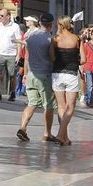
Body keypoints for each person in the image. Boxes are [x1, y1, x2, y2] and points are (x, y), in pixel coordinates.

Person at [17, 12, 57, 143]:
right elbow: (52, 57)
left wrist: (26, 73)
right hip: (44, 74)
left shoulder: (31, 37)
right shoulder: (48, 39)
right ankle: (47, 133)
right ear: (51, 25)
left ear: (40, 23)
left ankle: (23, 128)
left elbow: (27, 57)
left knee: (32, 103)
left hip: (31, 74)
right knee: (48, 105)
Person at [50, 16, 83, 145]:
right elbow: (84, 60)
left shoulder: (55, 40)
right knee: (71, 107)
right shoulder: (77, 39)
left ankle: (65, 137)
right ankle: (60, 134)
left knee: (61, 106)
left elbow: (52, 58)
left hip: (57, 74)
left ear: (60, 25)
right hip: (71, 74)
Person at [0, 9, 23, 101]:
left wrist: (18, 55)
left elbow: (19, 41)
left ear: (8, 16)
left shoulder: (15, 27)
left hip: (12, 54)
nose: (0, 17)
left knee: (12, 75)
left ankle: (12, 93)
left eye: (2, 16)